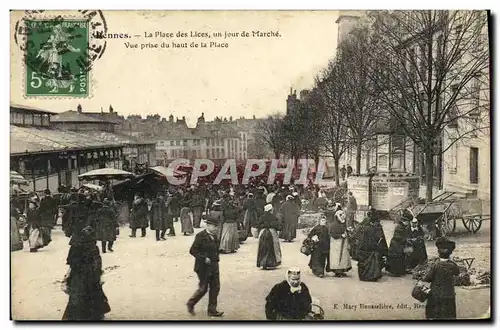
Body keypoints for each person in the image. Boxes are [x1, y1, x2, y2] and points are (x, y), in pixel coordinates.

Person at [62, 226, 111, 320]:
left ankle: (78, 314)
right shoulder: (93, 246)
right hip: (91, 275)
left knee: (79, 295)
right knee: (93, 293)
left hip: (79, 275)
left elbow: (70, 260)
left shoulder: (76, 246)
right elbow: (98, 261)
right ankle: (95, 314)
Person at [186, 217, 224, 317]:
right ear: (208, 225)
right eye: (214, 226)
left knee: (215, 287)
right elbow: (193, 250)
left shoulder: (215, 236)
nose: (216, 228)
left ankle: (212, 310)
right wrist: (204, 258)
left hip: (214, 266)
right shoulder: (200, 236)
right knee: (203, 288)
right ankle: (191, 303)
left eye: (217, 226)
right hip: (203, 267)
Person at [422, 237, 460, 320]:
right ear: (450, 253)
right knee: (449, 315)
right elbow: (457, 274)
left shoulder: (435, 265)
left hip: (435, 294)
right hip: (449, 294)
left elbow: (427, 278)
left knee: (434, 315)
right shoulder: (453, 265)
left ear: (438, 252)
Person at [356, 208, 389, 282]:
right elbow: (380, 238)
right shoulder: (377, 227)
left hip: (364, 247)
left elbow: (359, 237)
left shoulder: (364, 226)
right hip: (373, 248)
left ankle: (365, 275)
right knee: (375, 258)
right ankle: (373, 275)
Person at [386, 209, 412, 276]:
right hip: (397, 246)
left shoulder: (402, 226)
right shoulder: (400, 227)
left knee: (404, 254)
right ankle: (396, 271)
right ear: (405, 221)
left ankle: (400, 270)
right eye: (408, 222)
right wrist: (406, 240)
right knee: (401, 255)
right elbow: (398, 237)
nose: (408, 223)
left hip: (398, 245)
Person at [257, 204, 282, 270]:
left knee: (263, 248)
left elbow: (258, 224)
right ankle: (271, 262)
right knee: (272, 248)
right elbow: (277, 225)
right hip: (272, 232)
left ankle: (263, 263)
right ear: (270, 210)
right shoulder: (273, 217)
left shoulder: (262, 217)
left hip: (263, 233)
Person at [328, 209, 352, 277]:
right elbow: (332, 234)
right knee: (337, 257)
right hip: (336, 243)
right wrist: (340, 235)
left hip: (343, 243)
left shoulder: (342, 223)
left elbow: (343, 229)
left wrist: (347, 231)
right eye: (341, 215)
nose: (343, 216)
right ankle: (337, 271)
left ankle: (341, 270)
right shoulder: (334, 225)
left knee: (343, 257)